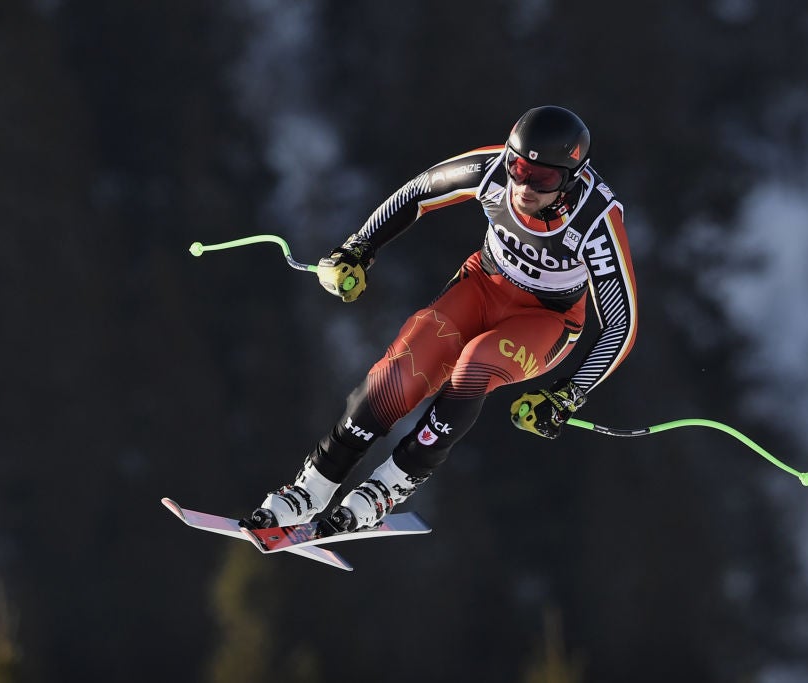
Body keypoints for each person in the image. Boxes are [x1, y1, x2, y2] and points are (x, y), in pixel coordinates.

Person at [243, 105, 637, 533]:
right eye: (518, 167)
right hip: (483, 284)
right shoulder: (490, 172)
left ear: (571, 178)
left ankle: (388, 485)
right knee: (403, 371)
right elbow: (417, 193)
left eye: (542, 179)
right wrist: (357, 249)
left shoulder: (596, 221)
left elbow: (622, 322)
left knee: (476, 363)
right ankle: (312, 488)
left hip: (547, 320)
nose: (523, 185)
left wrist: (569, 393)